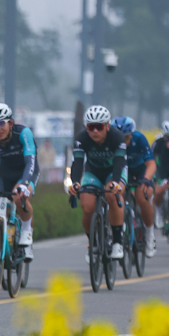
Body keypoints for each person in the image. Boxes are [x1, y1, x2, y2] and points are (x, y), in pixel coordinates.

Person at [0, 102, 38, 281]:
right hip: (4, 175)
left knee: (18, 194)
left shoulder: (24, 134)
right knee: (0, 215)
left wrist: (25, 183)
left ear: (10, 123)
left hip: (26, 171)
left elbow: (31, 161)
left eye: (1, 123)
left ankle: (27, 235)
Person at [69, 105, 126, 263]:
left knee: (112, 195)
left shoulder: (117, 137)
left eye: (99, 127)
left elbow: (119, 162)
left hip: (114, 170)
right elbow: (78, 162)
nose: (95, 131)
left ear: (107, 126)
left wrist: (115, 181)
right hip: (93, 172)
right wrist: (75, 183)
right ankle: (92, 242)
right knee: (87, 207)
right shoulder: (81, 138)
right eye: (91, 127)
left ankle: (117, 242)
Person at [114, 115, 157, 257]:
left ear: (131, 135)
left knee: (142, 198)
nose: (124, 141)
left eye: (126, 137)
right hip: (122, 170)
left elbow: (151, 163)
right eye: (120, 138)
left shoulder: (139, 139)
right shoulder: (110, 142)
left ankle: (150, 235)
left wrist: (146, 179)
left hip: (140, 171)